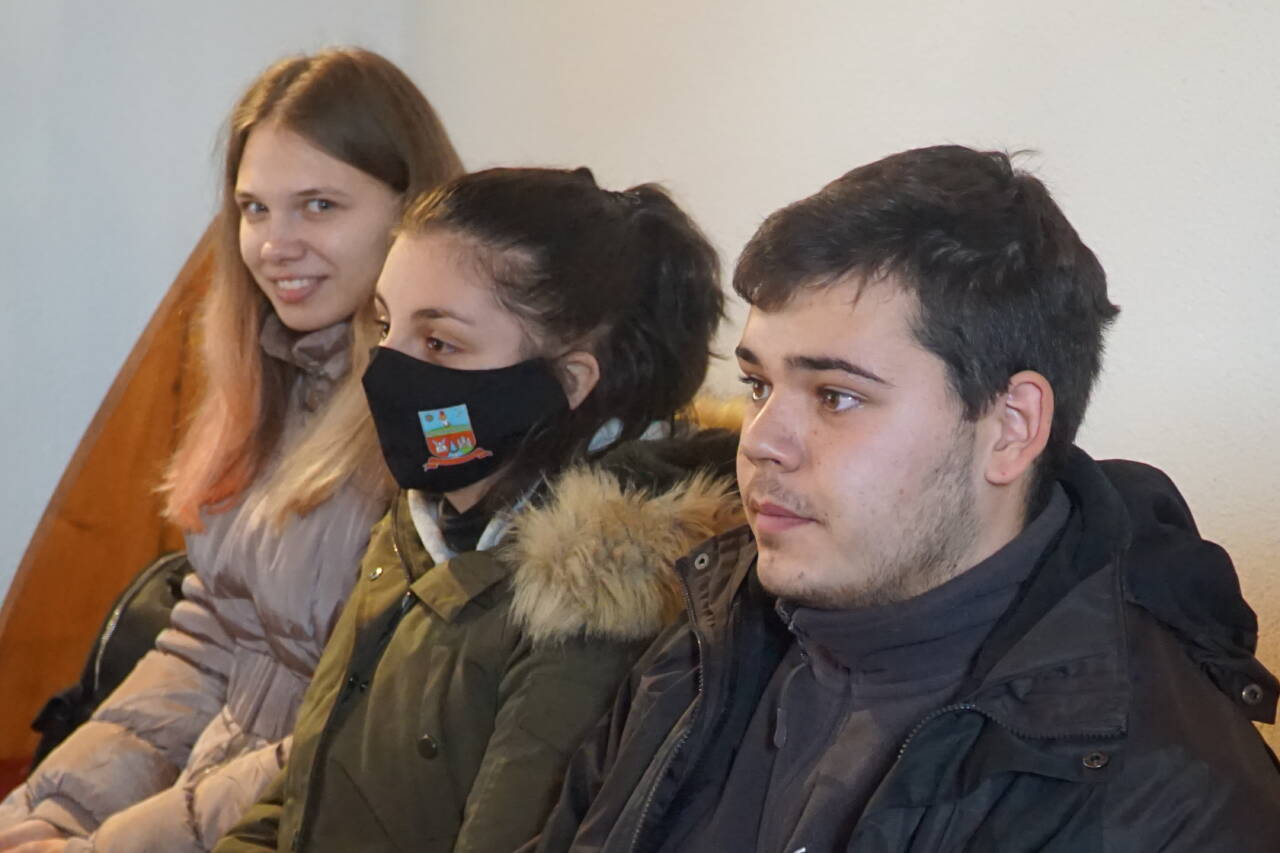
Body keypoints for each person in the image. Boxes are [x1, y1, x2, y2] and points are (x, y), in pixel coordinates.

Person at [528, 145, 1280, 852]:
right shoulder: (706, 643)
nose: (758, 442)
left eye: (835, 396)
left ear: (1011, 428)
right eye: (758, 384)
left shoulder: (1172, 801)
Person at [0, 48, 462, 852]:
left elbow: (359, 739)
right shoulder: (281, 377)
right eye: (254, 208)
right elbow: (209, 639)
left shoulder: (446, 425)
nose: (274, 244)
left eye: (318, 205)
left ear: (412, 212)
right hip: (209, 805)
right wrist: (56, 807)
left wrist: (107, 845)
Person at [213, 166, 741, 853]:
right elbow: (305, 796)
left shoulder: (593, 606)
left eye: (439, 343)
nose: (385, 369)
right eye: (385, 324)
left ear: (569, 380)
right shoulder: (427, 520)